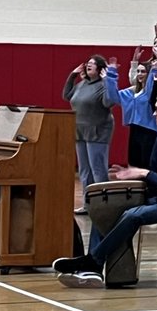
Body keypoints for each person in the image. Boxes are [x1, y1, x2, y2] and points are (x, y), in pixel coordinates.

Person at [53, 92, 157, 288]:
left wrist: (143, 173)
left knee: (133, 215)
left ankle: (93, 261)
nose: (153, 113)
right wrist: (132, 184)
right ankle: (93, 271)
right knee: (103, 209)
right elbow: (153, 178)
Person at [64, 55, 116, 215]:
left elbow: (109, 102)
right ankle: (88, 204)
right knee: (84, 170)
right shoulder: (82, 84)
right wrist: (72, 75)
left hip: (98, 131)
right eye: (88, 63)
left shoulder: (103, 84)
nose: (89, 65)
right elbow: (66, 96)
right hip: (80, 131)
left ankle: (104, 205)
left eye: (93, 63)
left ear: (100, 68)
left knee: (98, 169)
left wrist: (108, 80)